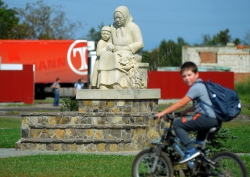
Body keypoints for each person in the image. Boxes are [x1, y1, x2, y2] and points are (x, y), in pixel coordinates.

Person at [156, 61, 221, 163]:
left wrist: (162, 113)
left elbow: (181, 103)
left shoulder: (196, 87)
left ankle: (190, 150)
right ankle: (202, 168)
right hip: (213, 119)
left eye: (189, 75)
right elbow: (199, 105)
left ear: (197, 74)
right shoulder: (201, 85)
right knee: (199, 149)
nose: (187, 78)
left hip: (206, 118)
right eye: (184, 76)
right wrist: (185, 111)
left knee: (177, 124)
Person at [97, 6, 144, 89]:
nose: (117, 20)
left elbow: (140, 44)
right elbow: (110, 42)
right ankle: (104, 83)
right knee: (105, 55)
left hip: (132, 53)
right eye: (115, 18)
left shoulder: (134, 27)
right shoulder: (113, 27)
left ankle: (118, 83)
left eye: (119, 17)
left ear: (125, 16)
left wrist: (125, 48)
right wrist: (110, 46)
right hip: (116, 51)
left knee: (116, 56)